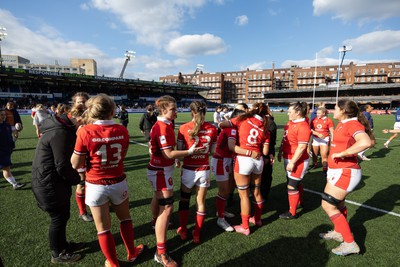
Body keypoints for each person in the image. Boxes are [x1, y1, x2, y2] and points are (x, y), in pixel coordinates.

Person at [71, 94, 143, 267]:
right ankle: (131, 252)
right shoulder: (122, 130)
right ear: (112, 111)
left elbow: (75, 163)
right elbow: (122, 156)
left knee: (103, 228)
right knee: (125, 219)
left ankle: (112, 263)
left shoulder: (84, 131)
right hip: (118, 181)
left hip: (95, 185)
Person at [147, 96, 204, 267]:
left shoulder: (166, 124)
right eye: (173, 109)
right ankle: (161, 252)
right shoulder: (163, 127)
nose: (177, 111)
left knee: (159, 200)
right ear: (163, 110)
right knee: (167, 208)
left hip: (160, 170)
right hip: (160, 171)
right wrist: (189, 151)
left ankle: (154, 222)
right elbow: (169, 154)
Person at [319, 99, 372, 256]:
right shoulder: (344, 123)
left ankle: (350, 243)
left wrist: (343, 153)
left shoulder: (352, 124)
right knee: (339, 203)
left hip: (346, 171)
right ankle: (338, 232)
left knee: (328, 205)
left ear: (343, 110)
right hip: (338, 170)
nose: (332, 110)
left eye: (334, 107)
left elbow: (366, 141)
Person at [31, 108, 82, 264]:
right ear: (77, 119)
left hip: (50, 182)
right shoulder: (61, 133)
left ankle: (63, 245)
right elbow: (62, 165)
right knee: (58, 218)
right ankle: (57, 253)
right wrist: (78, 179)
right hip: (49, 184)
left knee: (62, 216)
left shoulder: (58, 128)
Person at [219, 102, 270, 236]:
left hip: (243, 159)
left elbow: (222, 125)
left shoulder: (243, 119)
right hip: (258, 161)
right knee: (257, 192)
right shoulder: (266, 126)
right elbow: (265, 151)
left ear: (253, 109)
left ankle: (245, 226)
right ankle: (257, 219)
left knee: (244, 195)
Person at [176, 101, 218, 243]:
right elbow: (212, 151)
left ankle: (183, 230)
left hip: (188, 169)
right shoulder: (213, 128)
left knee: (184, 200)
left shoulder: (183, 128)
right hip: (204, 170)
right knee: (201, 202)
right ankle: (197, 234)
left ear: (191, 111)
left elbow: (181, 153)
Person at [211, 108, 245, 232]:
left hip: (225, 160)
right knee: (223, 190)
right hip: (221, 161)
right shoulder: (231, 129)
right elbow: (231, 147)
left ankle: (221, 211)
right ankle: (220, 218)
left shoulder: (233, 129)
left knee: (226, 189)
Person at [277, 101, 311, 220]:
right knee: (292, 182)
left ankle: (292, 212)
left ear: (297, 113)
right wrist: (281, 150)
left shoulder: (303, 126)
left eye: (290, 112)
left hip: (298, 160)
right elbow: (285, 139)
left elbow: (301, 147)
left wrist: (292, 162)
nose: (288, 114)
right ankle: (300, 202)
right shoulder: (290, 123)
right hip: (288, 156)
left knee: (292, 185)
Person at [70, 92, 94, 222]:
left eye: (84, 101)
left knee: (94, 181)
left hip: (93, 153)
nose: (81, 104)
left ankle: (95, 204)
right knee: (82, 182)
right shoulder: (71, 117)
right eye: (79, 101)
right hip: (80, 153)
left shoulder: (93, 115)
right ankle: (82, 211)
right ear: (74, 103)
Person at [0, 109, 25, 190]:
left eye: (4, 114)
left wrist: (16, 134)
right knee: (6, 168)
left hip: (7, 150)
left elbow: (14, 132)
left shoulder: (6, 125)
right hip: (2, 151)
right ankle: (15, 184)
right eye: (1, 115)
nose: (4, 116)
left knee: (6, 168)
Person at [309, 107, 334, 175]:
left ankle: (325, 169)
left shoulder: (329, 120)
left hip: (324, 139)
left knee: (324, 155)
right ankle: (315, 164)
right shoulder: (314, 120)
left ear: (324, 113)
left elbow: (332, 131)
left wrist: (333, 140)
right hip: (315, 139)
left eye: (319, 113)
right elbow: (310, 129)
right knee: (314, 154)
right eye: (317, 113)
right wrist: (317, 134)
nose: (317, 114)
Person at [260, 107, 277, 201]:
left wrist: (269, 154)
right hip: (261, 152)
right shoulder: (266, 121)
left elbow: (271, 142)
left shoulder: (269, 123)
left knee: (265, 175)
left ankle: (263, 194)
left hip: (265, 153)